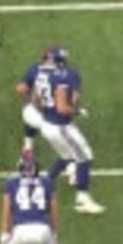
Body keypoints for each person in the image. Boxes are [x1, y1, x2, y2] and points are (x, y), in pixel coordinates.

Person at [39, 48, 105, 214]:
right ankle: (82, 197)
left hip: (47, 124)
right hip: (60, 126)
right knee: (85, 157)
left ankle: (43, 184)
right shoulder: (66, 77)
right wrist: (77, 111)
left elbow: (40, 99)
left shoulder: (45, 76)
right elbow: (62, 107)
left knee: (66, 156)